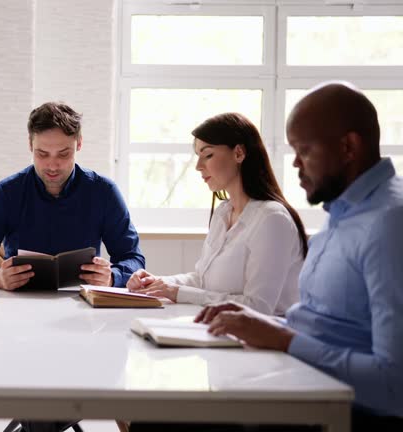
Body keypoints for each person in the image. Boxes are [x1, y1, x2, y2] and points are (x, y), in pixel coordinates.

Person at [140, 82, 403, 431]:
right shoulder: (344, 214)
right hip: (294, 375)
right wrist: (262, 325)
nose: (294, 163)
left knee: (157, 418)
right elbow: (319, 324)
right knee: (154, 406)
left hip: (327, 405)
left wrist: (282, 337)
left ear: (348, 146)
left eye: (304, 150)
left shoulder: (388, 224)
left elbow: (394, 386)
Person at [127, 113, 307, 315]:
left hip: (264, 339)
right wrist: (158, 283)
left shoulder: (272, 219)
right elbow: (203, 280)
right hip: (224, 330)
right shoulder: (223, 212)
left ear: (239, 153)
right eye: (198, 156)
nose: (198, 166)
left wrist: (177, 292)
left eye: (208, 155)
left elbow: (258, 306)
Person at [0, 102, 144, 290]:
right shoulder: (8, 192)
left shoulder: (104, 192)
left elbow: (134, 259)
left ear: (78, 143)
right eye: (42, 154)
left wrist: (111, 277)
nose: (52, 166)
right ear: (30, 145)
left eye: (63, 154)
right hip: (18, 306)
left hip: (84, 306)